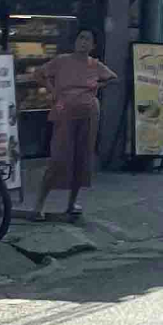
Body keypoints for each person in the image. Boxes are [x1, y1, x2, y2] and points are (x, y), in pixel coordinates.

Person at [34, 27, 115, 223]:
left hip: (89, 114)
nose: (83, 42)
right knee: (58, 158)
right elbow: (39, 74)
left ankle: (71, 203)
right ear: (75, 41)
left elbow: (113, 78)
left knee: (82, 158)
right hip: (64, 113)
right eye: (81, 38)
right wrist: (53, 91)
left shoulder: (95, 65)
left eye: (88, 39)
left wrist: (97, 87)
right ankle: (39, 206)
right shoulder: (62, 60)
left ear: (93, 45)